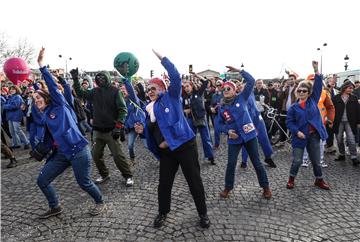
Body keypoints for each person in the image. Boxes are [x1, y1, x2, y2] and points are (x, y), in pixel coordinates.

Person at [134, 49, 210, 229]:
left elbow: (175, 76)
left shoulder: (172, 96)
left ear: (162, 89)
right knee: (164, 184)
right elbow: (154, 131)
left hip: (185, 146)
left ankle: (203, 213)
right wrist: (142, 130)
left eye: (153, 88)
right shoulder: (149, 108)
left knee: (194, 181)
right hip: (167, 153)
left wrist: (163, 59)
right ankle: (163, 212)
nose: (150, 91)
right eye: (148, 89)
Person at [35, 47, 105, 218]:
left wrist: (41, 65)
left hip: (78, 150)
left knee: (84, 183)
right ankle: (55, 206)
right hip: (61, 154)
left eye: (38, 98)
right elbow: (47, 136)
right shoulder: (44, 116)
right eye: (34, 99)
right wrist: (39, 149)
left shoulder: (59, 105)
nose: (36, 101)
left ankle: (100, 202)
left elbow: (52, 87)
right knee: (42, 180)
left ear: (47, 98)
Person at [72, 66, 134, 186]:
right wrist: (75, 79)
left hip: (111, 130)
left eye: (102, 77)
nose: (100, 80)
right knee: (95, 155)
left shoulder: (115, 91)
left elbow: (123, 110)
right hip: (97, 130)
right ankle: (104, 174)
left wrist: (118, 126)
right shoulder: (94, 91)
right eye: (98, 78)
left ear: (107, 78)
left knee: (118, 156)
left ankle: (128, 175)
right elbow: (80, 93)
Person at [216, 66, 272, 199]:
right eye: (223, 89)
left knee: (256, 162)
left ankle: (266, 187)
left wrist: (238, 70)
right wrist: (227, 131)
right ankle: (228, 188)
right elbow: (218, 124)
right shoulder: (222, 107)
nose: (225, 90)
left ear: (235, 91)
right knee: (231, 164)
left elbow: (251, 81)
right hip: (234, 138)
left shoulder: (242, 98)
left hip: (250, 136)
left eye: (228, 88)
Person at [286, 61, 330, 190]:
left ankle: (319, 180)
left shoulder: (313, 100)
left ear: (309, 92)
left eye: (304, 90)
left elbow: (318, 86)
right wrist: (296, 131)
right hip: (299, 136)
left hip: (313, 136)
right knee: (298, 160)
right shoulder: (293, 108)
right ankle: (291, 179)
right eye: (299, 90)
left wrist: (316, 69)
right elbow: (289, 122)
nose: (301, 92)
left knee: (316, 161)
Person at [182, 73, 215, 165]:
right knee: (190, 139)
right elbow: (182, 109)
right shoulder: (184, 97)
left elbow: (205, 82)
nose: (186, 88)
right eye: (185, 87)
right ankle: (191, 157)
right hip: (190, 120)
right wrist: (185, 111)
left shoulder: (198, 93)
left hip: (201, 118)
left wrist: (196, 75)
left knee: (206, 138)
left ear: (191, 86)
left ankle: (210, 156)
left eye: (187, 86)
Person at [332, 80, 360, 166]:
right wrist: (331, 120)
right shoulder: (336, 98)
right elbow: (331, 110)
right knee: (339, 139)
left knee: (351, 139)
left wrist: (358, 122)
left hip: (350, 122)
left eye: (352, 88)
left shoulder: (354, 98)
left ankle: (354, 157)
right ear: (344, 88)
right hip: (338, 121)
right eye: (349, 88)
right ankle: (342, 154)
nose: (351, 90)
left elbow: (358, 111)